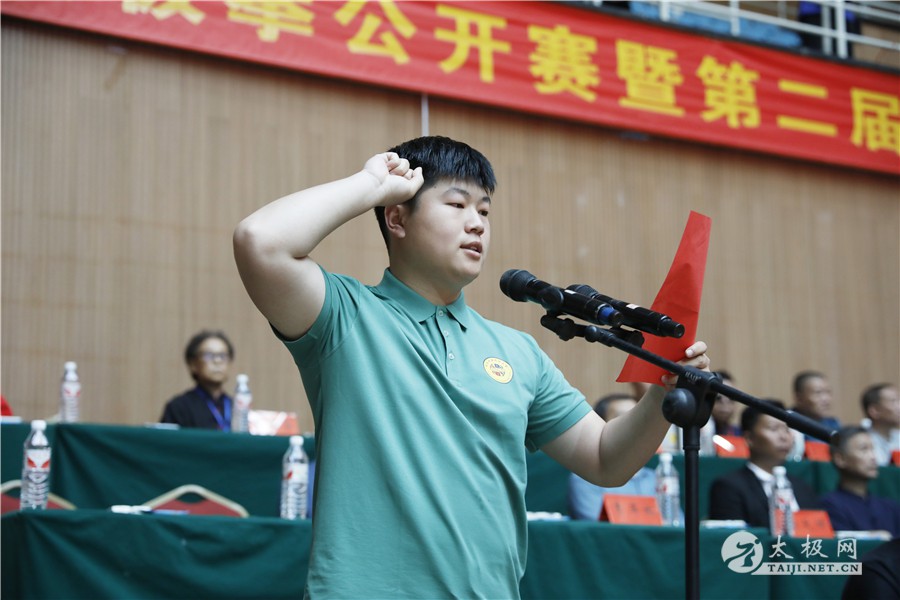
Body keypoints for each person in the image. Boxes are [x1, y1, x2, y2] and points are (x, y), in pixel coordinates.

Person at [232, 135, 711, 598]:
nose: (477, 224)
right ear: (396, 217)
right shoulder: (345, 315)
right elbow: (261, 240)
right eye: (457, 205)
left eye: (484, 211)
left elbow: (607, 460)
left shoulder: (517, 350)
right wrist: (372, 185)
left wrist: (661, 394)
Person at [569, 393, 683, 522]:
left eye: (638, 419)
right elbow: (598, 530)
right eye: (622, 419)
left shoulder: (657, 478)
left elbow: (676, 524)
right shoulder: (585, 479)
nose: (634, 427)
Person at [707, 399, 820, 528]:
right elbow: (732, 538)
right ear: (749, 438)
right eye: (774, 429)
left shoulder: (803, 488)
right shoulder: (729, 488)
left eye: (787, 430)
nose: (783, 437)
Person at [820, 426, 900, 537]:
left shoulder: (890, 507)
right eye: (864, 449)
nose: (873, 457)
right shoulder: (829, 505)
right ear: (840, 459)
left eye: (873, 449)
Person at [160, 330, 235, 430]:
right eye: (209, 355)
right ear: (193, 364)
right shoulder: (179, 407)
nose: (217, 361)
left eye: (223, 356)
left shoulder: (237, 408)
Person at [860, 383, 900, 466]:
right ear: (874, 411)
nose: (898, 407)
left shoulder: (898, 436)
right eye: (893, 401)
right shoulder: (862, 441)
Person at [711, 369, 740, 437]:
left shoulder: (741, 435)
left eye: (731, 398)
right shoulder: (696, 434)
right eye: (718, 398)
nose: (725, 405)